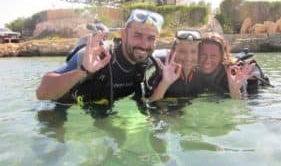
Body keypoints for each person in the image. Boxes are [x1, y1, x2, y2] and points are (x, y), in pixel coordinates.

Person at [36, 9, 164, 114]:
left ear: (156, 42)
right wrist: (83, 71)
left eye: (151, 38)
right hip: (61, 107)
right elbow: (41, 93)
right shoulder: (96, 56)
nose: (144, 45)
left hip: (100, 113)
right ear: (124, 34)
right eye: (138, 35)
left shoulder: (151, 63)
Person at [142, 29, 202, 102]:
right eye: (182, 51)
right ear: (172, 52)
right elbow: (148, 104)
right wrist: (165, 83)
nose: (188, 57)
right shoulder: (160, 74)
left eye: (193, 52)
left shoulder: (200, 76)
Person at [197, 32, 257, 99]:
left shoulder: (233, 73)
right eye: (203, 55)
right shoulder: (192, 71)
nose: (207, 60)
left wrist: (234, 90)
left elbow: (241, 104)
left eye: (213, 56)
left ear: (222, 57)